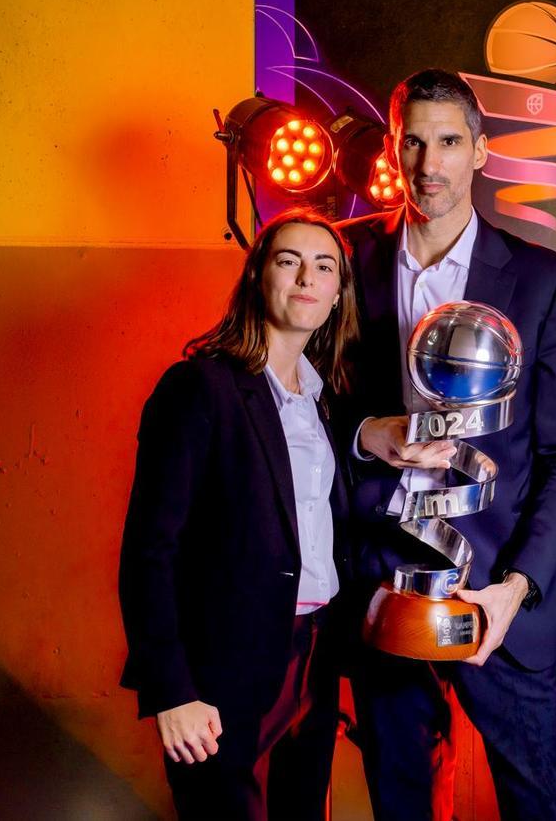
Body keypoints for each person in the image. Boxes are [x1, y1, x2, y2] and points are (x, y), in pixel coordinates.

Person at [336, 69, 556, 820]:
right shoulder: (342, 263)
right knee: (401, 804)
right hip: (384, 589)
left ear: (481, 150)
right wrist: (368, 434)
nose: (428, 163)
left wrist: (517, 589)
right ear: (391, 147)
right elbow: (301, 416)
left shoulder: (542, 280)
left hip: (499, 597)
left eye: (448, 142)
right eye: (413, 141)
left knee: (537, 806)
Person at [118, 209, 358, 820]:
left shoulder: (324, 401)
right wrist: (171, 692)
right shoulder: (200, 387)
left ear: (337, 295)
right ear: (258, 278)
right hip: (224, 669)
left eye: (324, 266)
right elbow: (150, 552)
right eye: (289, 261)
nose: (307, 276)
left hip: (313, 657)